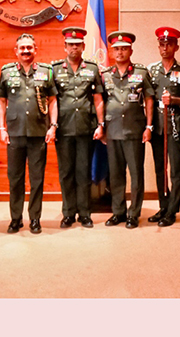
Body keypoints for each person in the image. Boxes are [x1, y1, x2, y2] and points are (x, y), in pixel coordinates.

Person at [0, 33, 58, 234]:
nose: (25, 51)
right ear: (16, 51)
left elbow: (52, 100)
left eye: (29, 47)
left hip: (38, 132)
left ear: (35, 50)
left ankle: (35, 219)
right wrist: (2, 128)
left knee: (37, 179)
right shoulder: (6, 72)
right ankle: (15, 219)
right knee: (15, 178)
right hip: (14, 133)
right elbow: (1, 102)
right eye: (22, 48)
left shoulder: (46, 71)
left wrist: (53, 126)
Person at [51, 27, 104, 228]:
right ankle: (68, 213)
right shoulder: (54, 69)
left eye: (78, 44)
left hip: (85, 128)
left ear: (83, 46)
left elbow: (98, 99)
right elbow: (52, 100)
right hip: (63, 129)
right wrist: (53, 126)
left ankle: (84, 213)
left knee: (83, 172)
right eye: (70, 44)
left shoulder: (92, 69)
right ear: (65, 47)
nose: (74, 47)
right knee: (66, 173)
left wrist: (101, 125)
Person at [100, 31, 154, 229]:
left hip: (134, 130)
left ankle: (134, 213)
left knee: (136, 174)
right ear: (112, 52)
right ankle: (118, 212)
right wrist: (102, 128)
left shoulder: (141, 73)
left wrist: (148, 126)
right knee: (115, 174)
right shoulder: (105, 75)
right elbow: (100, 102)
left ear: (130, 50)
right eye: (116, 49)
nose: (120, 52)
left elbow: (149, 99)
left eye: (124, 48)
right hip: (112, 131)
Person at [147, 27, 180, 227]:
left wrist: (174, 100)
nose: (165, 48)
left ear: (176, 47)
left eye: (169, 44)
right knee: (159, 168)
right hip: (156, 122)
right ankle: (163, 206)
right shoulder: (151, 70)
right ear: (158, 47)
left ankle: (172, 210)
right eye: (162, 45)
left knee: (175, 169)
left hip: (173, 122)